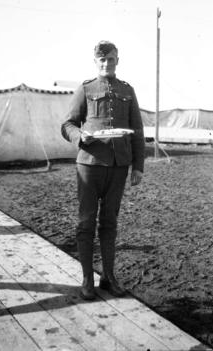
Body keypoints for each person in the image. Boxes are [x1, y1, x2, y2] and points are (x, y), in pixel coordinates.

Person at [61, 41, 145, 300]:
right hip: (89, 166)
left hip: (118, 167)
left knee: (109, 223)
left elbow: (138, 131)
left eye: (110, 59)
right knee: (86, 223)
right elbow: (67, 124)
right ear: (95, 62)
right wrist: (80, 137)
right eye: (101, 60)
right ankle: (87, 279)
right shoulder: (85, 89)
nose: (106, 64)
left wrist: (138, 166)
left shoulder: (127, 91)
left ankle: (108, 277)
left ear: (117, 60)